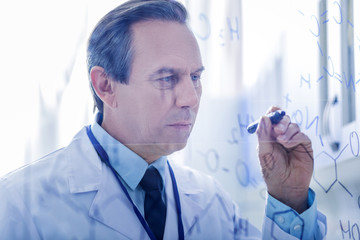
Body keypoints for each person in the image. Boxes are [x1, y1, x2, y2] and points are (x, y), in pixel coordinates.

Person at [0, 0, 326, 239]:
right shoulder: (16, 207)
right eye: (167, 78)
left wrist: (288, 196)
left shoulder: (209, 201)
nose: (191, 98)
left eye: (195, 77)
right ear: (106, 86)